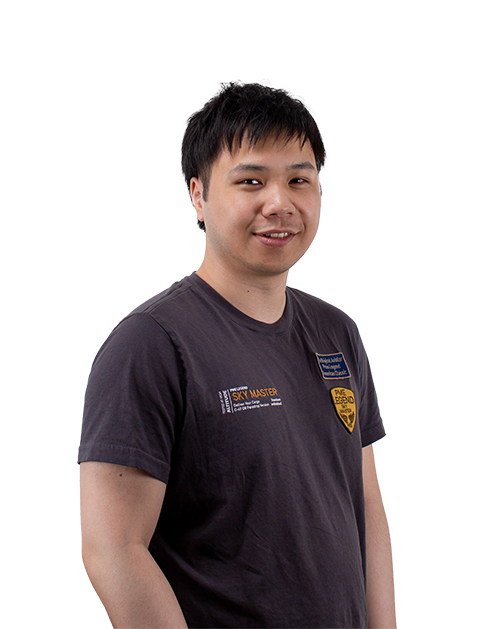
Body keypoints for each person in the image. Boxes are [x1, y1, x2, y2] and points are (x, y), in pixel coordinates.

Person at [79, 80, 396, 629]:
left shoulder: (337, 334)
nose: (280, 203)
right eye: (251, 181)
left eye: (299, 180)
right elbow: (113, 550)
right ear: (198, 195)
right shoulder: (151, 345)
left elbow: (365, 509)